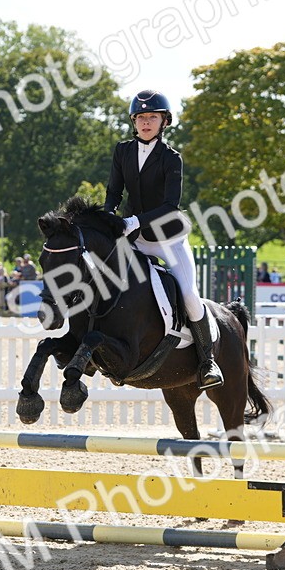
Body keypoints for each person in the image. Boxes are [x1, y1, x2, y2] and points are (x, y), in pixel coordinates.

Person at [103, 88, 222, 388]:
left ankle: (207, 361)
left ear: (163, 122)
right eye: (141, 117)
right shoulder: (122, 151)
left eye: (152, 117)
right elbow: (114, 193)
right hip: (133, 237)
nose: (146, 122)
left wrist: (134, 221)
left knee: (190, 296)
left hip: (168, 239)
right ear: (134, 121)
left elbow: (170, 205)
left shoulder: (172, 158)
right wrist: (108, 218)